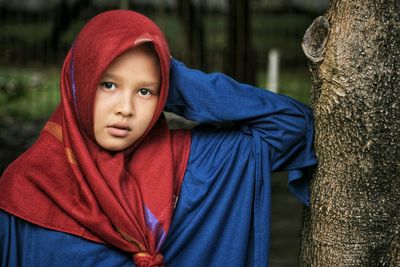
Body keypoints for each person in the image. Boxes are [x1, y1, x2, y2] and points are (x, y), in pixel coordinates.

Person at [0, 10, 317, 267]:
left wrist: (173, 79)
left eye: (144, 92)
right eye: (108, 85)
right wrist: (145, 81)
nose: (126, 109)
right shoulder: (27, 188)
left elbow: (291, 126)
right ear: (77, 83)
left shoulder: (187, 162)